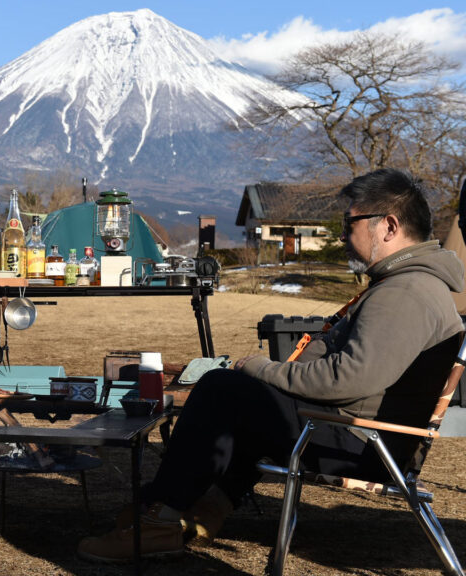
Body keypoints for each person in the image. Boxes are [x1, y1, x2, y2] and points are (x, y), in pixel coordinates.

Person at [77, 168, 465, 562]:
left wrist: (262, 369)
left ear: (389, 226)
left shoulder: (406, 292)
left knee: (221, 390)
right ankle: (204, 510)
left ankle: (157, 520)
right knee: (249, 398)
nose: (345, 234)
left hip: (361, 443)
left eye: (351, 223)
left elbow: (347, 379)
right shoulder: (411, 285)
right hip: (365, 435)